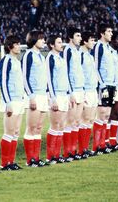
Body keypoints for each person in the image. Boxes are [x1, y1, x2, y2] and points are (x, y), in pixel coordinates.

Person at [0, 35, 24, 170]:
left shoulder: (16, 61)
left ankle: (11, 162)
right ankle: (4, 163)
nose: (19, 46)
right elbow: (2, 82)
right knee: (9, 132)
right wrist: (8, 102)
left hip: (19, 100)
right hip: (11, 100)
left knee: (16, 132)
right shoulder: (6, 60)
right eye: (17, 44)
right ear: (10, 47)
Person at [21, 31, 48, 167]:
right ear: (34, 40)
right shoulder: (28, 55)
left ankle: (36, 158)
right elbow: (24, 77)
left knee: (38, 127)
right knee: (31, 128)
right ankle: (29, 159)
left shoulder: (41, 57)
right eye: (41, 39)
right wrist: (31, 96)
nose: (44, 41)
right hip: (34, 95)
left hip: (43, 95)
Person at [45, 35, 70, 164]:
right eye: (59, 42)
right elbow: (48, 79)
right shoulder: (50, 58)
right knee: (55, 125)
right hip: (56, 95)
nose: (62, 44)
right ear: (52, 45)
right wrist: (52, 98)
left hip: (64, 95)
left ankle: (57, 154)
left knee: (61, 126)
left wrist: (68, 94)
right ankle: (51, 156)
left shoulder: (61, 58)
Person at [62, 27, 85, 161]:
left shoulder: (77, 51)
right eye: (77, 36)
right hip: (72, 90)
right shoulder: (68, 51)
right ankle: (67, 152)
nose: (80, 38)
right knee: (70, 122)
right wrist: (69, 92)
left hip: (80, 89)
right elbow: (66, 72)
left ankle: (73, 150)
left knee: (76, 122)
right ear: (71, 37)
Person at [92, 23, 115, 154]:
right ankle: (96, 146)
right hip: (103, 85)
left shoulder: (108, 47)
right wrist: (102, 85)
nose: (111, 34)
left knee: (106, 115)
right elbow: (95, 67)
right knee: (101, 115)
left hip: (110, 84)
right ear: (102, 33)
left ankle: (102, 144)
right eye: (109, 31)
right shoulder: (98, 47)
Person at [79, 32, 98, 156]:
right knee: (84, 120)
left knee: (90, 120)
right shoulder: (79, 55)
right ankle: (80, 149)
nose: (94, 43)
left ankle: (85, 148)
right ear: (85, 42)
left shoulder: (90, 56)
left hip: (93, 90)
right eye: (91, 40)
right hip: (85, 90)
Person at [108, 33, 118, 150]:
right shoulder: (107, 52)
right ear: (112, 41)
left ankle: (113, 141)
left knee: (116, 113)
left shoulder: (117, 54)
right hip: (109, 86)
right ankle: (106, 141)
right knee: (108, 114)